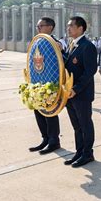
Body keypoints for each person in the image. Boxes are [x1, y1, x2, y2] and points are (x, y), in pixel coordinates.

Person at [63, 16, 98, 167]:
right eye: (68, 26)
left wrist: (76, 89)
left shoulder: (87, 46)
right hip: (69, 93)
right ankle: (79, 151)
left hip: (81, 94)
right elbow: (68, 65)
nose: (68, 28)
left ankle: (88, 153)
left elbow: (90, 71)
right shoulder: (72, 44)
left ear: (80, 28)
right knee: (76, 125)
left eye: (71, 26)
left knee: (85, 124)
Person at [28, 17, 61, 155]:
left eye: (41, 26)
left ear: (50, 27)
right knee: (39, 111)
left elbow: (61, 61)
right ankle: (45, 138)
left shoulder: (56, 43)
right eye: (37, 26)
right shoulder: (36, 42)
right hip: (37, 83)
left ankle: (54, 141)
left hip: (50, 85)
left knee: (49, 112)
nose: (38, 28)